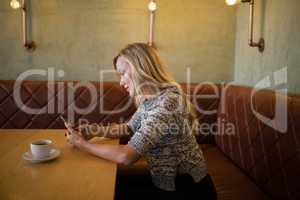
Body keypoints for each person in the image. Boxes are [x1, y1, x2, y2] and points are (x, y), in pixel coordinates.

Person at [64, 43, 217, 200]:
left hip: (189, 189)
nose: (121, 82)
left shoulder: (169, 102)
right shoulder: (150, 100)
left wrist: (82, 144)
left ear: (141, 69)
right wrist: (94, 131)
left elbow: (127, 156)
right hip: (165, 181)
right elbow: (129, 128)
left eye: (123, 73)